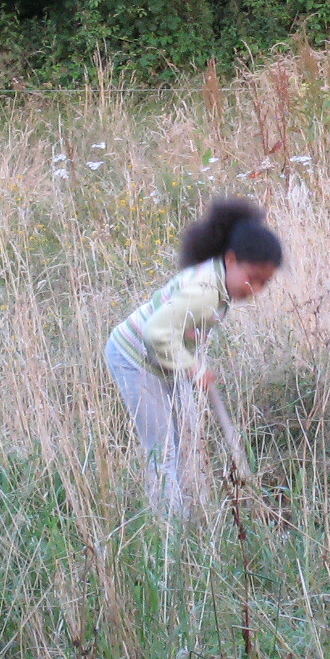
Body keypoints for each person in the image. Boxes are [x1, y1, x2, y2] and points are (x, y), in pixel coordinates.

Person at [105, 197, 282, 516]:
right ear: (231, 260)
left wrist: (190, 363)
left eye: (264, 283)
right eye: (252, 277)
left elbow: (181, 331)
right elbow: (156, 331)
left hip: (164, 361)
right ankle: (169, 528)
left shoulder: (218, 282)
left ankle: (191, 515)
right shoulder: (205, 293)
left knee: (186, 439)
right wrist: (191, 367)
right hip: (133, 358)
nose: (255, 288)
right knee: (163, 450)